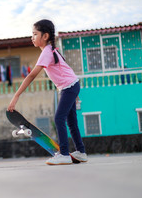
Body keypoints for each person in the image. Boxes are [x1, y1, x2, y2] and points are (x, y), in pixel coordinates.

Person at [7, 19, 87, 165]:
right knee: (71, 121)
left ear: (45, 36)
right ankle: (81, 152)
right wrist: (72, 93)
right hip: (71, 86)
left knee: (59, 118)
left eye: (35, 34)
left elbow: (31, 76)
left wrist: (16, 96)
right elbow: (65, 72)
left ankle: (63, 154)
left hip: (70, 87)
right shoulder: (51, 50)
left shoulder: (47, 52)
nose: (32, 37)